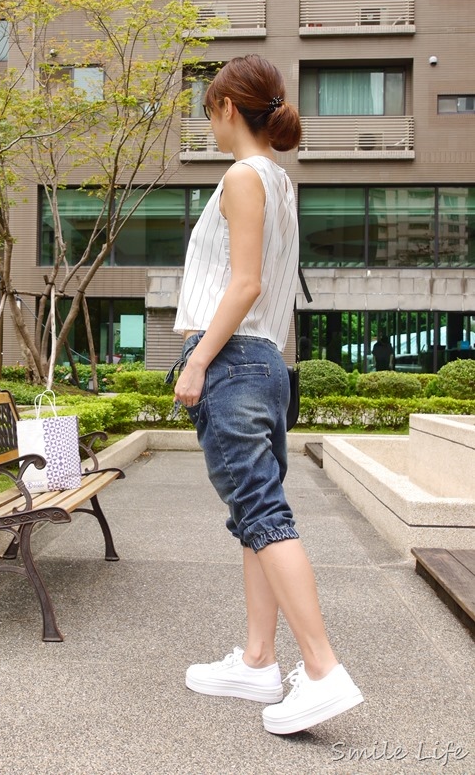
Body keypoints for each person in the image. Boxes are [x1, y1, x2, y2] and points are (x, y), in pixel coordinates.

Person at [169, 55, 363, 735]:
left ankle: (322, 669)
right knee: (255, 515)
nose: (210, 123)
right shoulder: (277, 180)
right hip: (265, 363)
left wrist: (197, 361)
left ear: (228, 108)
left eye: (210, 110)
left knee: (262, 513)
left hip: (234, 361)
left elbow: (245, 283)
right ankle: (257, 660)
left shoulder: (243, 176)